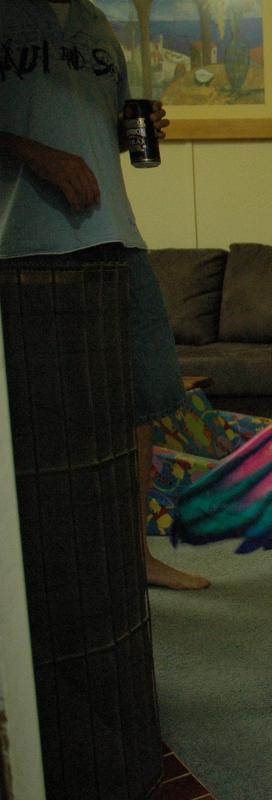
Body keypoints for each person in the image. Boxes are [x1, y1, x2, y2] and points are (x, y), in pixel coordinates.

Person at [1, 0, 210, 590]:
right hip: (19, 245)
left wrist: (122, 137)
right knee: (39, 413)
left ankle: (132, 558)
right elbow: (42, 141)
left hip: (117, 233)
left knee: (143, 395)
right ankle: (41, 573)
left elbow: (92, 134)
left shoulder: (98, 26)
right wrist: (35, 154)